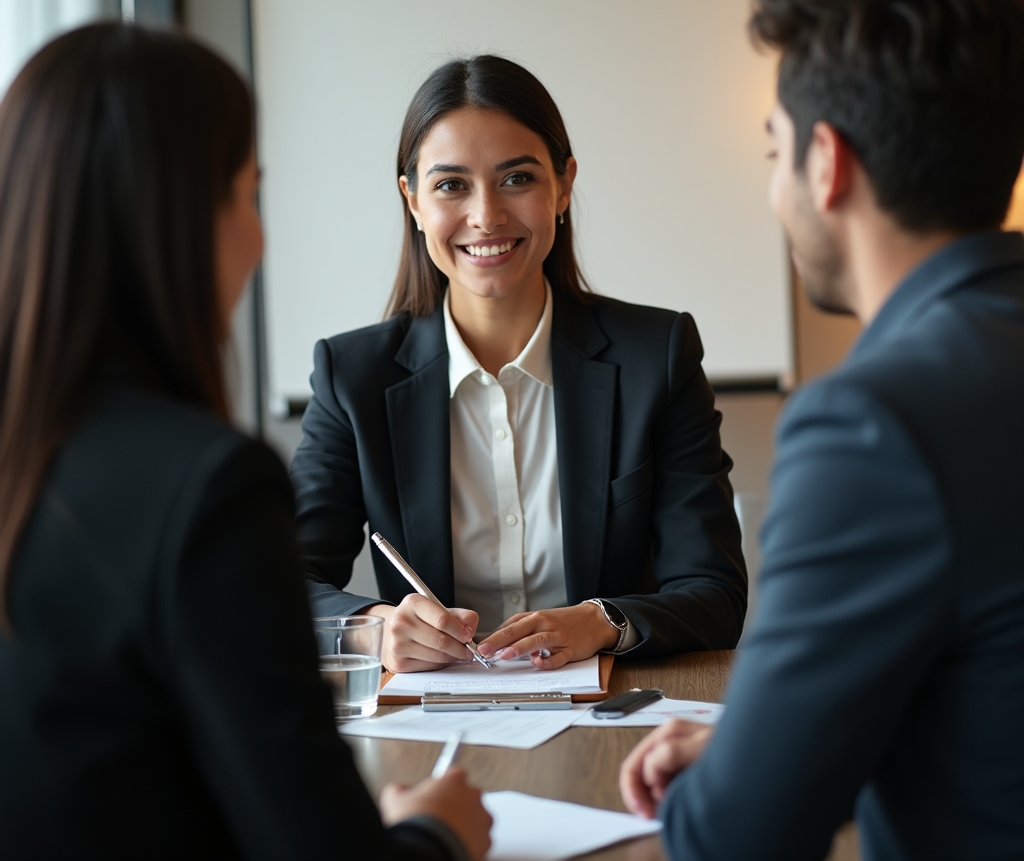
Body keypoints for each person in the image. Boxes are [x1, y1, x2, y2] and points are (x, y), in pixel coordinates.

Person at [0, 23, 491, 861]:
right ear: (181, 219)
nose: (259, 239)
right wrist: (438, 829)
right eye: (247, 194)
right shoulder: (207, 486)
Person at [619, 0, 1024, 860]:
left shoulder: (874, 426)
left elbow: (738, 839)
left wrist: (733, 780)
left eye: (775, 152)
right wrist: (770, 743)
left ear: (827, 163)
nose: (775, 188)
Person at [291, 56, 747, 673]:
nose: (486, 216)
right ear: (413, 201)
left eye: (517, 179)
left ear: (563, 185)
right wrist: (375, 628)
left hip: (612, 721)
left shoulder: (656, 356)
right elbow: (281, 584)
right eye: (451, 185)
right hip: (432, 728)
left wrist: (603, 621)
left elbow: (715, 593)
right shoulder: (353, 377)